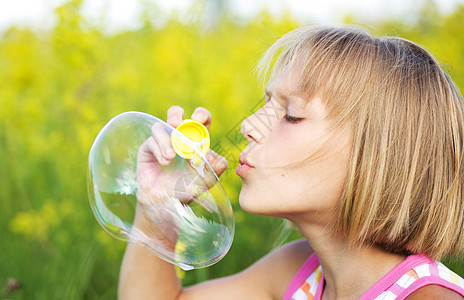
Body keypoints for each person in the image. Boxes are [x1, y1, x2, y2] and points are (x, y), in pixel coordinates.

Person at [118, 25, 464, 299]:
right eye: (267, 104)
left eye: (292, 115)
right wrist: (158, 208)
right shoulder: (296, 273)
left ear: (380, 157)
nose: (248, 125)